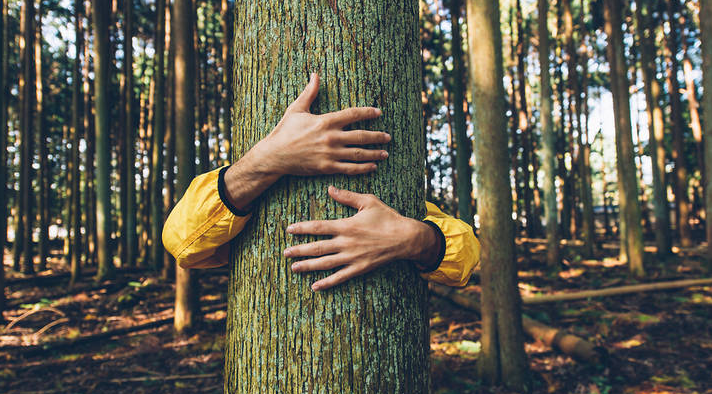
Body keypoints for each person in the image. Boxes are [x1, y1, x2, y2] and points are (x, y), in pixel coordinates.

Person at [163, 74, 480, 291]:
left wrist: (414, 237)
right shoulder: (244, 190)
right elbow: (181, 242)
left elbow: (466, 255)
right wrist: (267, 160)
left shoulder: (398, 204)